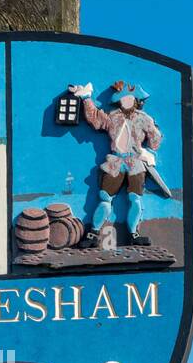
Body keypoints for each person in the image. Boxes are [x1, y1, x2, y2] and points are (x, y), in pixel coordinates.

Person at [67, 81, 165, 246]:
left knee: (135, 198)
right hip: (116, 161)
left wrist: (149, 145)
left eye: (130, 98)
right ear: (118, 101)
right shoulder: (113, 117)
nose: (126, 101)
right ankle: (93, 233)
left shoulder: (144, 118)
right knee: (105, 197)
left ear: (136, 100)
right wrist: (86, 97)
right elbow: (96, 120)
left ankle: (133, 234)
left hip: (136, 163)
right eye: (123, 99)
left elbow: (155, 141)